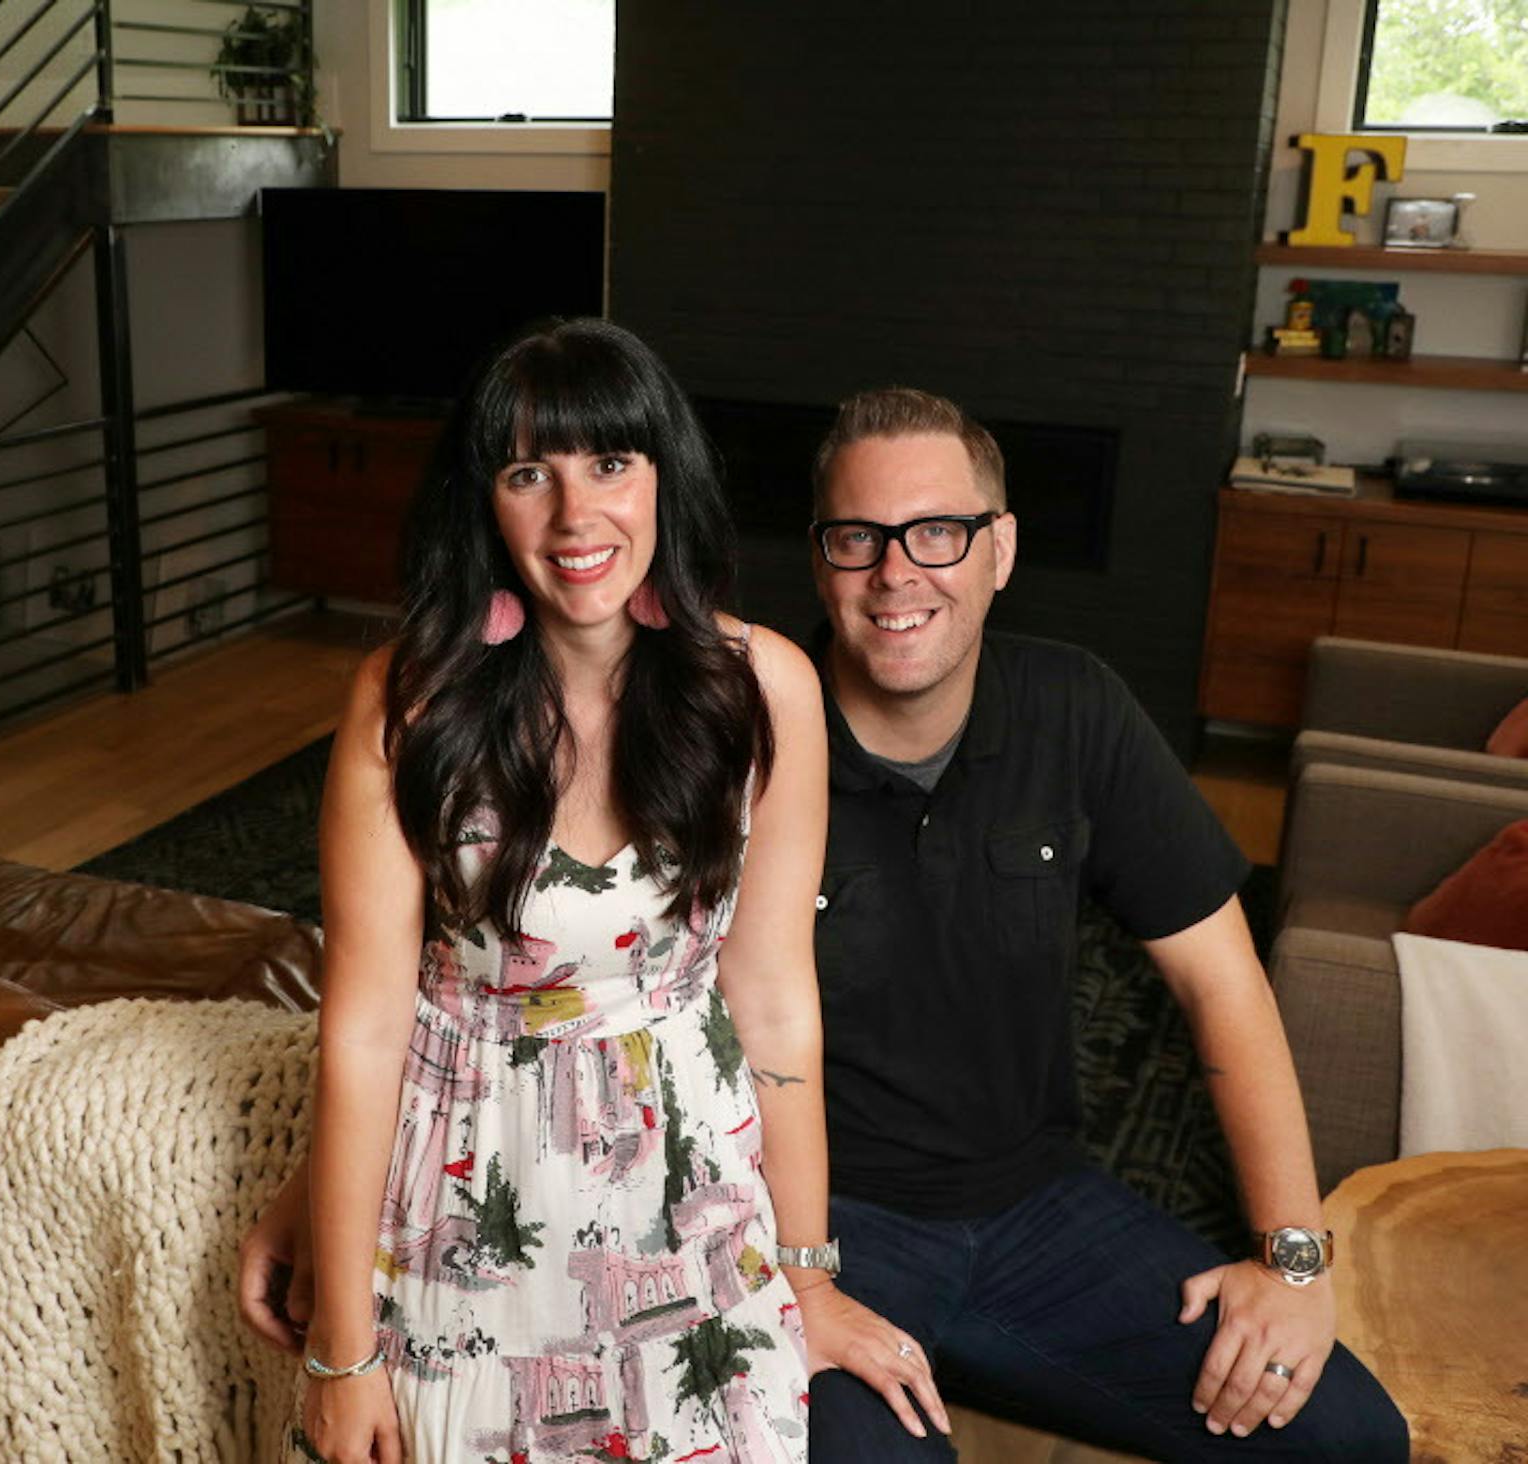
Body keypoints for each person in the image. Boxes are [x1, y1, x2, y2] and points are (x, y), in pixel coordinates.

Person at [249, 384, 1410, 1461]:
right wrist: (326, 1197)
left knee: (1353, 1436)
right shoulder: (725, 726)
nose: (897, 574)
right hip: (805, 1216)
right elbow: (487, 967)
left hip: (1041, 1212)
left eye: (939, 533)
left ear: (1000, 549)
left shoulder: (1078, 708)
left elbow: (1226, 987)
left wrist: (1292, 1258)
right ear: (820, 561)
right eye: (858, 539)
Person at [288, 318, 863, 1464]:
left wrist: (811, 1277)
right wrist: (340, 1353)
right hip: (464, 1221)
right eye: (526, 474)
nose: (575, 516)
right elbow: (359, 1030)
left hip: (695, 1211)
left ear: (666, 477)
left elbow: (776, 1000)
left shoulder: (766, 693)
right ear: (484, 505)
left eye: (612, 463)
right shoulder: (409, 704)